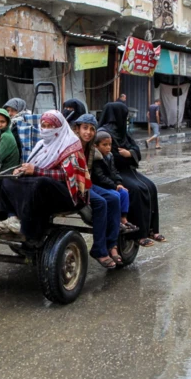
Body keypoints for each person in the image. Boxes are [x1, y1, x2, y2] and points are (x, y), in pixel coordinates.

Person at [0, 111, 91, 245]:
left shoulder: (70, 144)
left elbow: (69, 176)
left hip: (69, 194)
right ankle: (13, 217)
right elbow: (32, 166)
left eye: (50, 126)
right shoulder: (41, 144)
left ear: (59, 127)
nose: (45, 130)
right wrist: (22, 170)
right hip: (45, 188)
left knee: (40, 183)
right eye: (43, 125)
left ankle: (29, 231)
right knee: (8, 179)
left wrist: (36, 171)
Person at [99, 101, 166, 247]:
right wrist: (126, 154)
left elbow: (135, 149)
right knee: (135, 190)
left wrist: (129, 153)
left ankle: (151, 230)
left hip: (128, 170)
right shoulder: (104, 133)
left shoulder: (122, 132)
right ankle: (138, 235)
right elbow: (110, 156)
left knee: (151, 187)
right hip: (113, 172)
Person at [73, 114, 122, 268]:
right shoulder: (73, 144)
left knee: (115, 198)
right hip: (74, 184)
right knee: (101, 203)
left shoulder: (92, 147)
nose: (88, 132)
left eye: (92, 129)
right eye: (85, 128)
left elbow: (91, 170)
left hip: (87, 183)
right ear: (78, 129)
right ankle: (99, 250)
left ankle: (111, 245)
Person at [93, 131, 132, 229]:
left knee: (124, 192)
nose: (108, 147)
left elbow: (114, 171)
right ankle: (114, 220)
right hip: (100, 185)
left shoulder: (110, 156)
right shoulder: (96, 158)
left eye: (110, 144)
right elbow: (100, 177)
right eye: (104, 145)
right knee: (116, 195)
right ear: (96, 146)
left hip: (110, 184)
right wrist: (114, 186)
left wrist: (119, 183)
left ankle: (123, 218)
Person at [4, 97, 39, 162]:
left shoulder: (18, 122)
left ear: (20, 110)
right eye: (7, 110)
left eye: (13, 110)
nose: (9, 113)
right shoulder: (30, 117)